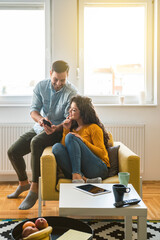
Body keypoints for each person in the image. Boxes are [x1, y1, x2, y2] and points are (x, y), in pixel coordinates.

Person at [7, 60, 77, 209]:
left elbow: (69, 119)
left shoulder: (72, 92)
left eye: (62, 80)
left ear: (68, 76)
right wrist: (41, 120)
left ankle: (34, 188)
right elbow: (33, 110)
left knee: (36, 142)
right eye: (55, 79)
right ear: (50, 73)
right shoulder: (40, 86)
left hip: (58, 130)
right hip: (40, 127)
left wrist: (56, 127)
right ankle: (23, 184)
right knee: (13, 152)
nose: (58, 83)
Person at [52, 95, 110, 183]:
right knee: (56, 147)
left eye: (74, 110)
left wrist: (83, 141)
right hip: (82, 169)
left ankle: (77, 175)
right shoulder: (73, 129)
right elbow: (65, 150)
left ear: (83, 112)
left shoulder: (93, 128)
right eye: (70, 108)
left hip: (99, 168)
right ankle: (83, 178)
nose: (69, 111)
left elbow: (102, 153)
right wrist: (66, 129)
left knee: (71, 136)